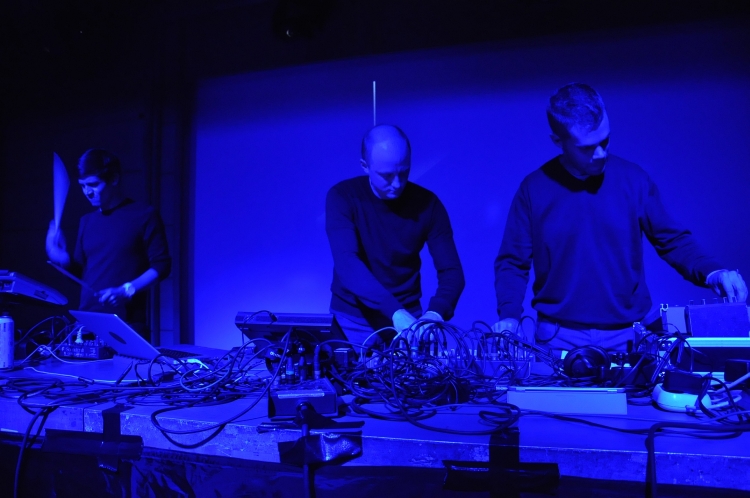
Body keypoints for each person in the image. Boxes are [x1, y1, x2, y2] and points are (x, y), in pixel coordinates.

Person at [493, 83, 747, 355]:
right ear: (558, 141)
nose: (601, 154)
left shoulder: (634, 180)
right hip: (558, 338)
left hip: (629, 335)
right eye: (587, 148)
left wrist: (713, 272)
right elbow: (513, 262)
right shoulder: (533, 189)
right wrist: (510, 316)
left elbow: (672, 240)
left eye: (605, 141)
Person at [325, 124, 465, 349]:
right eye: (387, 176)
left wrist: (434, 314)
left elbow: (452, 272)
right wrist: (395, 312)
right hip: (352, 322)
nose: (398, 184)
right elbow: (348, 264)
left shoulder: (429, 204)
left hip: (409, 323)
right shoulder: (342, 197)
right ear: (365, 166)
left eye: (404, 172)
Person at [46, 149, 171, 341]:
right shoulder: (86, 221)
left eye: (93, 184)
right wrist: (63, 259)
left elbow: (162, 266)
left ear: (114, 179)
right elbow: (83, 276)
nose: (87, 192)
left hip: (127, 324)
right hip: (87, 323)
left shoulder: (144, 215)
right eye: (82, 186)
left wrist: (126, 290)